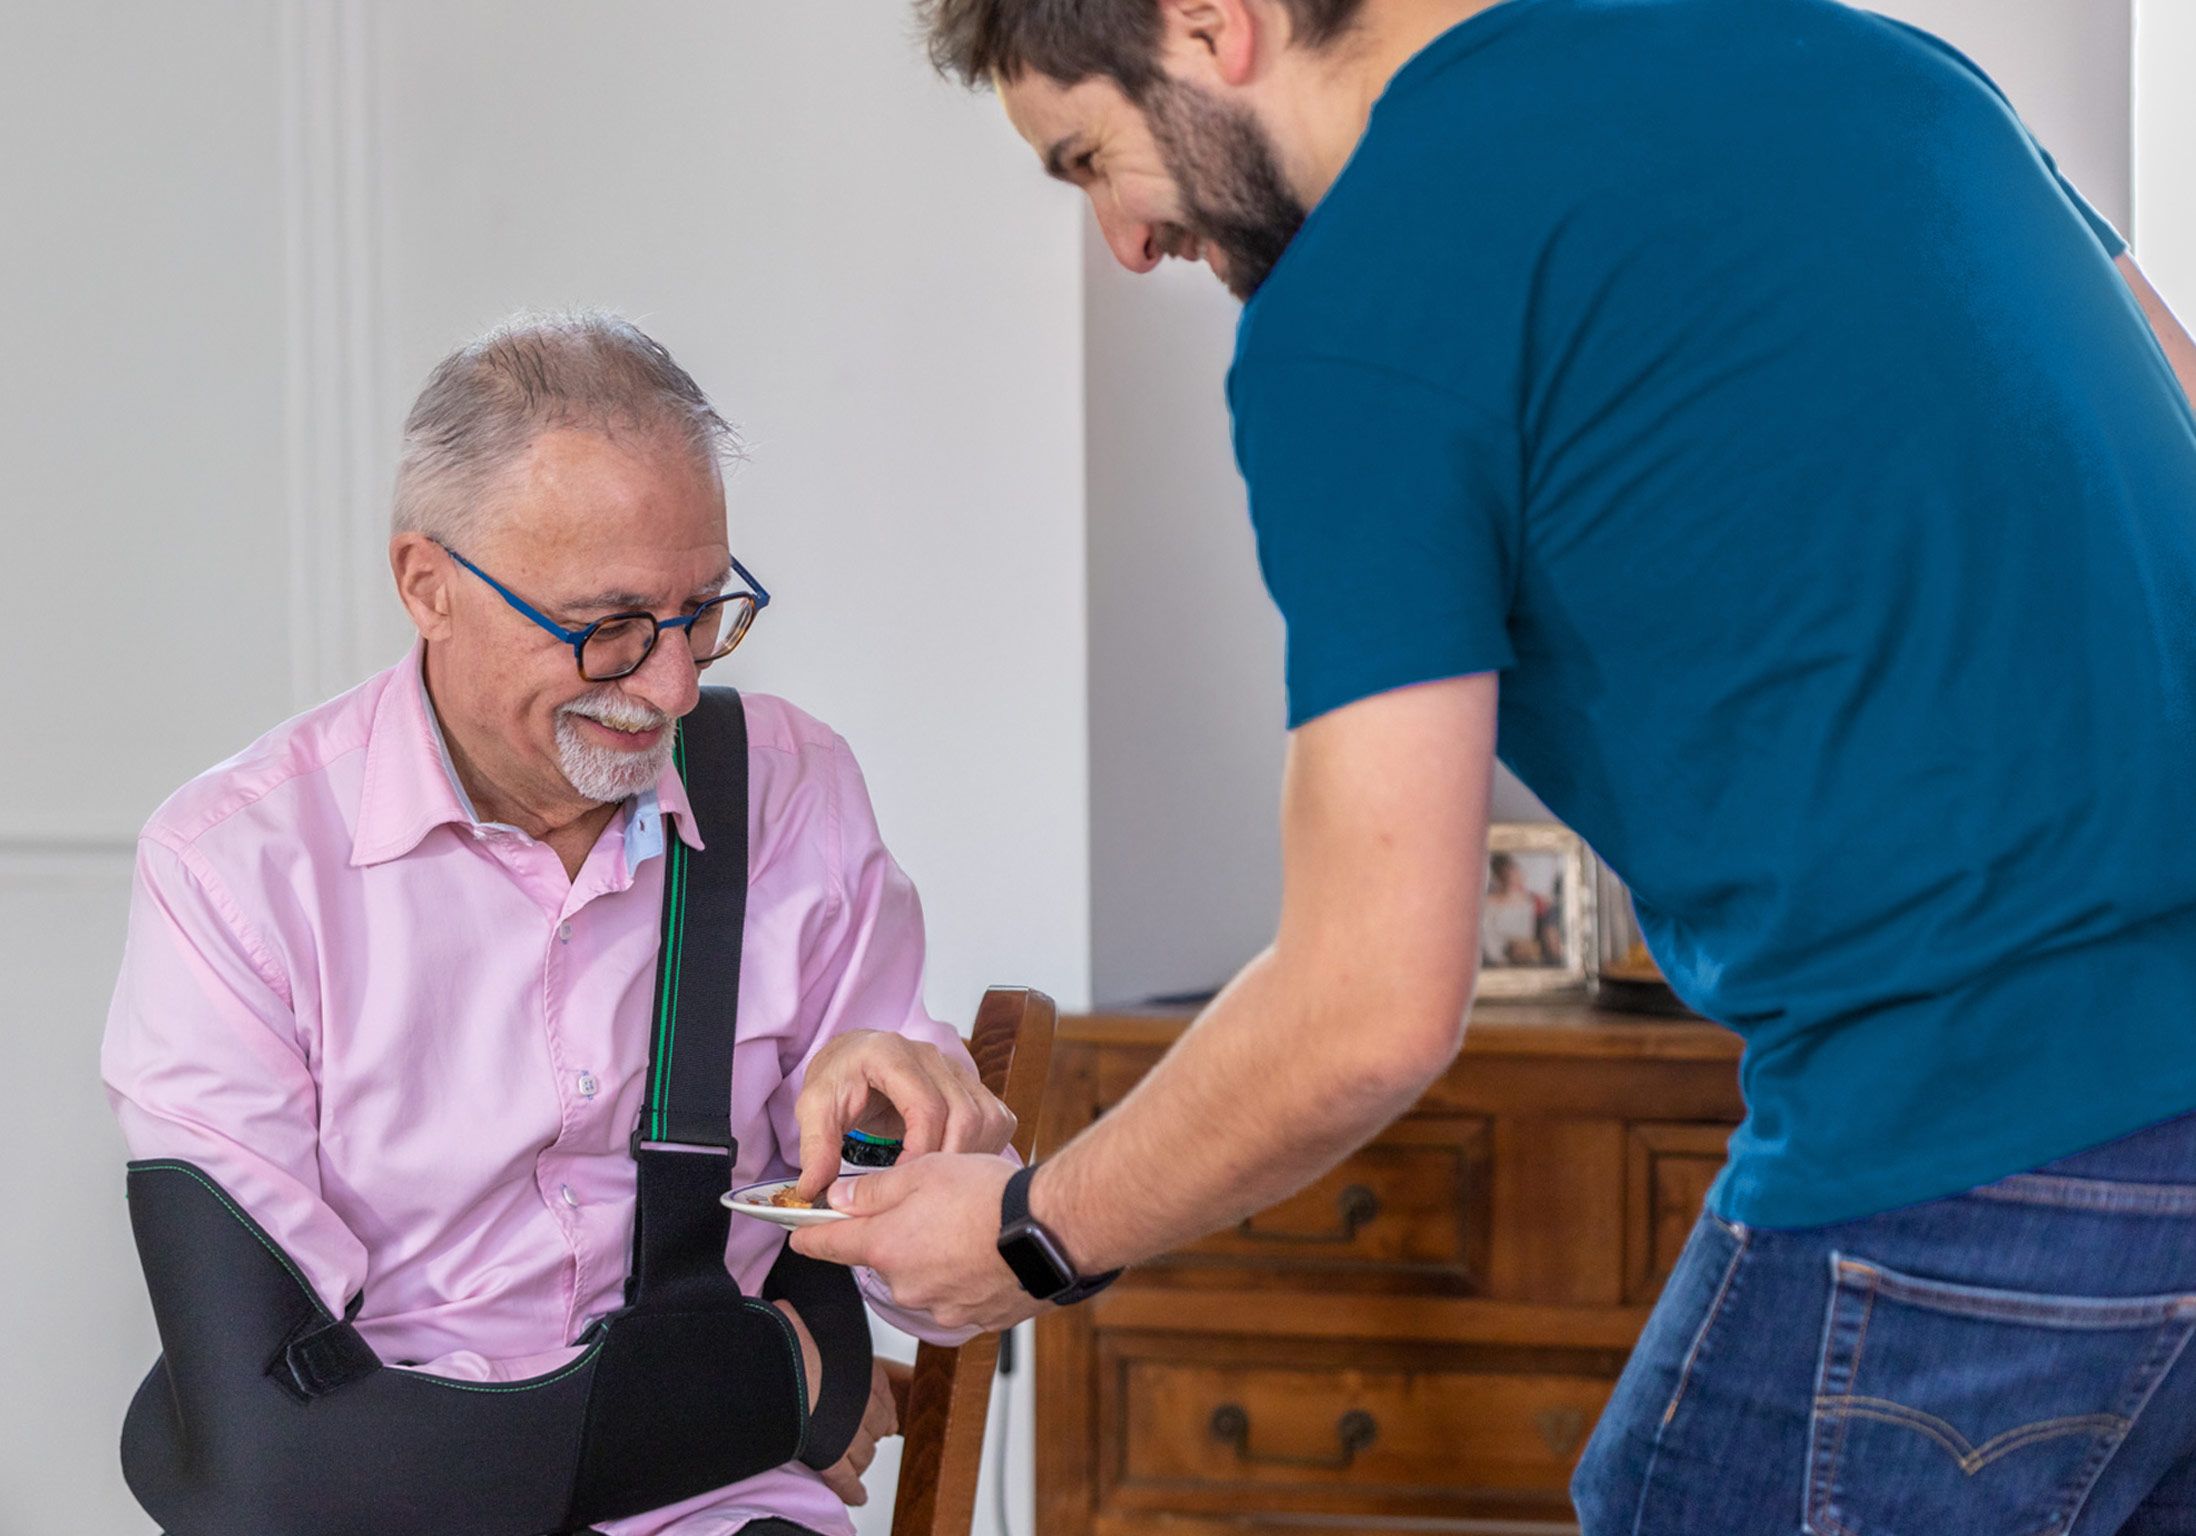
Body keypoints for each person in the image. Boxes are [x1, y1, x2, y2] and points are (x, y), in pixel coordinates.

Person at [793, 2, 2196, 1530]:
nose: (1124, 241)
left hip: (1968, 1138)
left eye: (1089, 158)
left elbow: (1367, 1012)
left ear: (1209, 24)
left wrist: (1021, 1235)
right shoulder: (1875, 59)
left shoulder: (1361, 305)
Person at [102, 311, 1017, 1536]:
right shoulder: (234, 870)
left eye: (703, 611)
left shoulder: (793, 792)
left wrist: (905, 1152)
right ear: (427, 586)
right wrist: (787, 1384)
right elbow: (269, 1453)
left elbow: (950, 1297)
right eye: (609, 626)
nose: (675, 684)